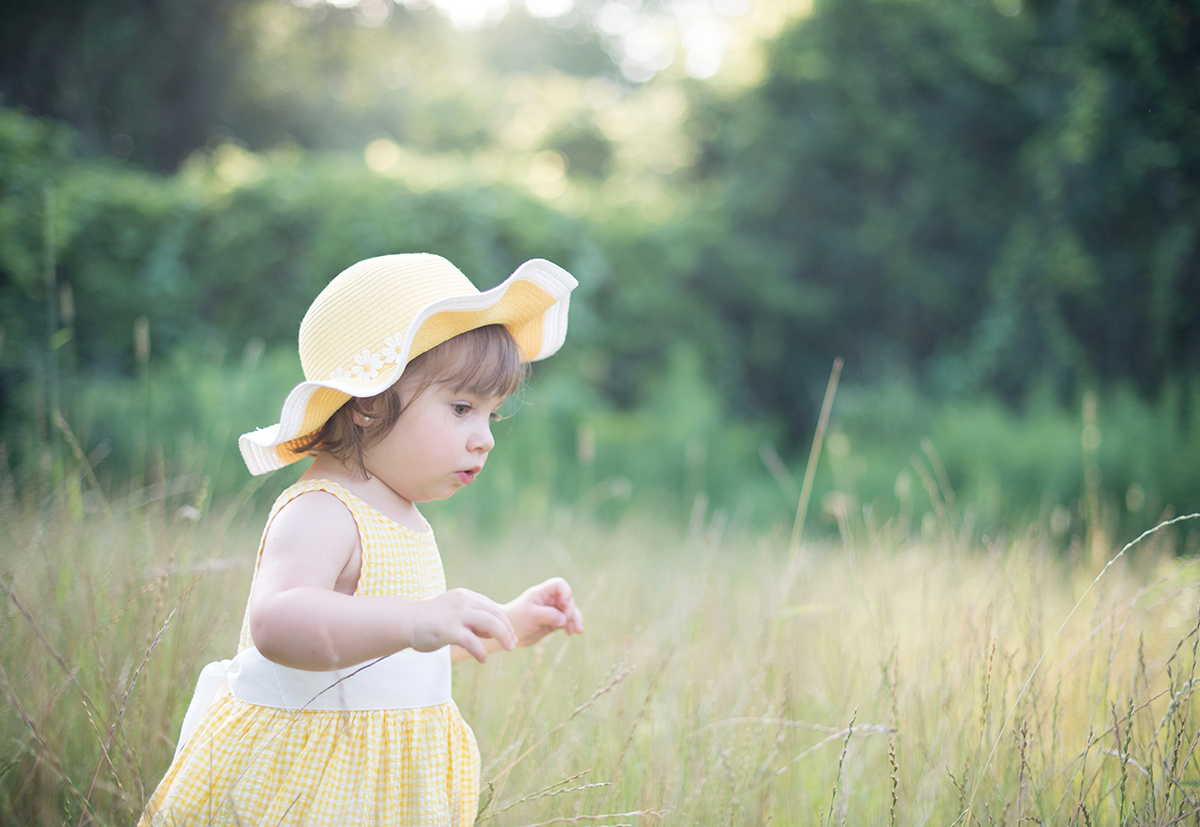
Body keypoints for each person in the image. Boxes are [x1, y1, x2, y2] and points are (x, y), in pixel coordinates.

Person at [140, 253, 584, 826]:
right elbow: (276, 621)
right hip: (311, 780)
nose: (484, 440)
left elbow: (388, 651)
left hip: (382, 784)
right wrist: (414, 619)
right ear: (371, 400)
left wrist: (506, 623)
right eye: (462, 409)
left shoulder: (401, 513)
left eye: (491, 417)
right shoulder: (324, 508)